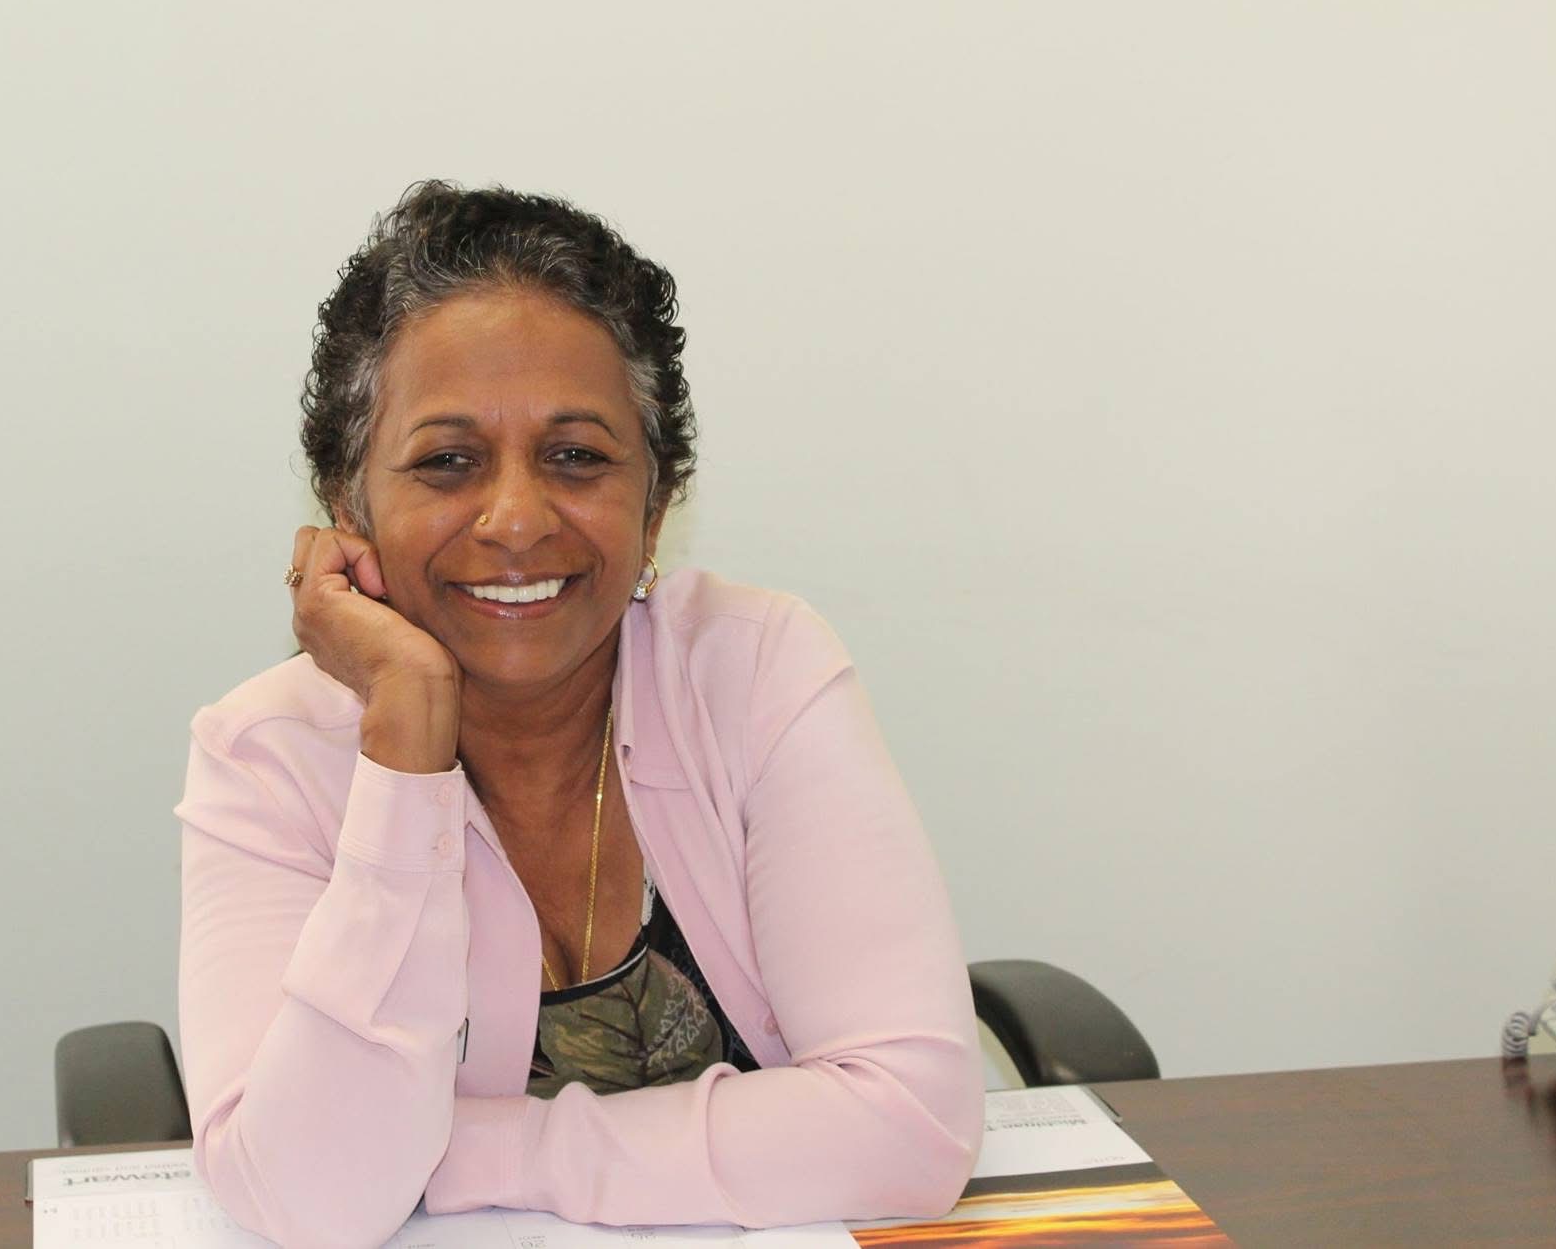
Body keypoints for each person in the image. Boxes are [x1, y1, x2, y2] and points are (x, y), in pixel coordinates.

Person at [176, 182, 982, 1249]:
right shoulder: (267, 758)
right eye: (447, 462)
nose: (515, 519)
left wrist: (474, 1151)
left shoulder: (757, 673)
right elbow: (309, 1202)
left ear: (656, 505)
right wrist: (405, 745)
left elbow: (911, 1125)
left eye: (576, 457)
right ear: (348, 506)